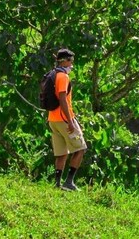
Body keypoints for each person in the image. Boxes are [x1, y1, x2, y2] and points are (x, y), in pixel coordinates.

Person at [48, 48, 86, 191]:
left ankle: (57, 183)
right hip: (64, 118)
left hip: (52, 119)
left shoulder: (53, 74)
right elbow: (62, 98)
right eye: (70, 61)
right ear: (64, 61)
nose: (72, 65)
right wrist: (70, 121)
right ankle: (69, 182)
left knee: (61, 152)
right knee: (80, 148)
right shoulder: (63, 77)